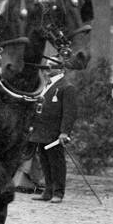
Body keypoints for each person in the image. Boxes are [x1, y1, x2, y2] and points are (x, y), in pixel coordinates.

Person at [27, 68, 78, 203]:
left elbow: (69, 112)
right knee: (44, 162)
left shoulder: (67, 87)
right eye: (46, 67)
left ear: (60, 69)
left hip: (54, 132)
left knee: (56, 162)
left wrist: (65, 132)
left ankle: (58, 193)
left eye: (51, 67)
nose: (46, 70)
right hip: (40, 130)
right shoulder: (45, 85)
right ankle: (47, 191)